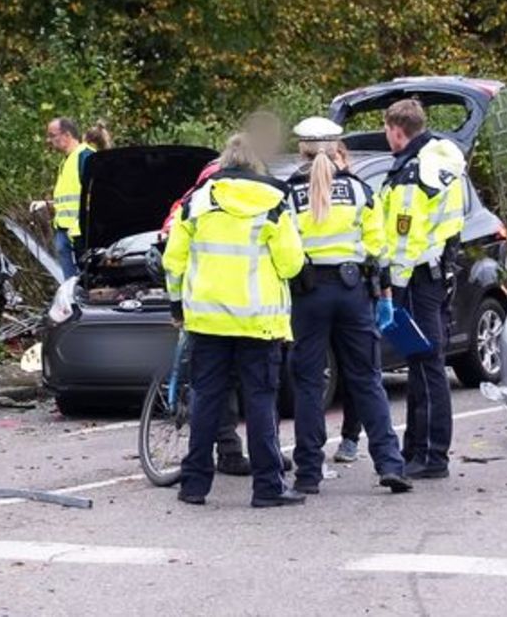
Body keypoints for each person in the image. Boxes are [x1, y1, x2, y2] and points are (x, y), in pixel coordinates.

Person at [163, 134, 307, 508]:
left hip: (207, 320)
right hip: (258, 322)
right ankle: (267, 488)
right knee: (260, 403)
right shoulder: (275, 202)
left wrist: (178, 305)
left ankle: (194, 486)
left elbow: (173, 261)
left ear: (224, 162)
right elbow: (292, 263)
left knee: (206, 400)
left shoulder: (196, 202)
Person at [285, 116, 412, 495]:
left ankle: (308, 472)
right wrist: (384, 294)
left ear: (302, 150)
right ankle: (390, 464)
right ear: (337, 148)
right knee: (367, 378)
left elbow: (285, 251)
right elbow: (379, 247)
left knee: (309, 384)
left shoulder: (288, 194)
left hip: (307, 294)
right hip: (353, 291)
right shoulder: (359, 191)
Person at [377, 100, 467, 479]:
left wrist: (390, 285)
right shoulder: (439, 162)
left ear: (397, 130)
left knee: (427, 364)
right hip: (433, 273)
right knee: (420, 364)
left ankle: (431, 455)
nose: (386, 137)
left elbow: (404, 237)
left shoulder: (414, 174)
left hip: (414, 277)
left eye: (386, 130)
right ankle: (417, 447)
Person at [33, 118, 94, 279]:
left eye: (52, 135)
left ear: (67, 135)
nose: (49, 140)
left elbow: (95, 195)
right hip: (65, 231)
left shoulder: (85, 157)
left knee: (85, 281)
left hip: (81, 234)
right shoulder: (66, 162)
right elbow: (70, 199)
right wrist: (47, 204)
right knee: (71, 284)